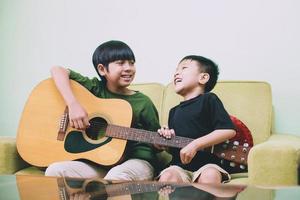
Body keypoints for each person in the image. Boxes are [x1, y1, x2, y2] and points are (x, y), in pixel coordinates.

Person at [45, 40, 160, 181]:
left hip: (137, 162)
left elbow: (158, 141)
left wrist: (161, 143)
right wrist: (73, 105)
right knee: (55, 170)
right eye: (121, 63)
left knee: (116, 177)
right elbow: (57, 70)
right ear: (102, 69)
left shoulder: (143, 102)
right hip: (99, 163)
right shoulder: (95, 88)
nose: (129, 68)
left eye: (131, 63)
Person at [156, 55, 236, 184]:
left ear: (203, 78)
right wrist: (165, 142)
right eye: (176, 70)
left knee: (210, 176)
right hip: (179, 166)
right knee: (168, 177)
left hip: (208, 164)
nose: (177, 73)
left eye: (184, 68)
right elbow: (176, 148)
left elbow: (228, 130)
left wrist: (195, 144)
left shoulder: (209, 99)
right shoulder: (174, 111)